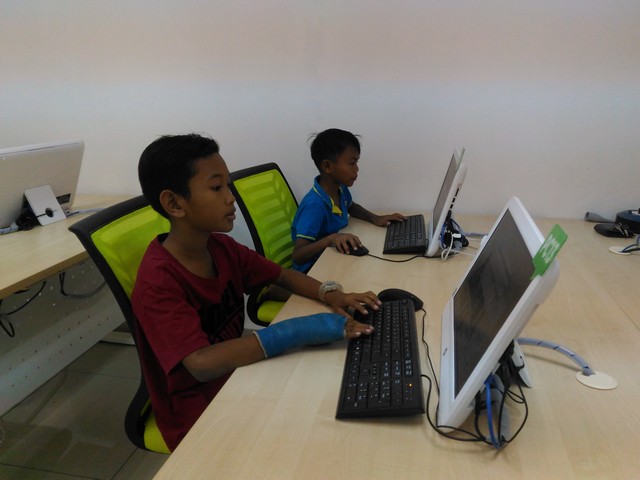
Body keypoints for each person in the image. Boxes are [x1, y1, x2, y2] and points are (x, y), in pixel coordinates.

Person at [132, 133, 380, 451]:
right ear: (174, 203)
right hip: (196, 413)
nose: (231, 198)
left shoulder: (221, 247)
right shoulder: (158, 281)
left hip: (237, 374)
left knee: (337, 398)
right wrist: (296, 330)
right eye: (217, 188)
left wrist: (332, 294)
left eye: (228, 185)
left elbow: (283, 275)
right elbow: (201, 364)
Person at [291, 128, 406, 272]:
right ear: (327, 166)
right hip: (313, 269)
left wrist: (375, 218)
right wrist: (331, 239)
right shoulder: (314, 206)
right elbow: (298, 255)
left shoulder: (340, 188)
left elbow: (351, 207)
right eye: (352, 163)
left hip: (333, 257)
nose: (357, 169)